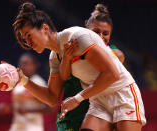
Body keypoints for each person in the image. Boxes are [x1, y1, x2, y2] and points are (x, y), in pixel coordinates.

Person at [12, 2, 146, 131]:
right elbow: (52, 98)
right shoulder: (55, 56)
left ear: (45, 28)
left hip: (122, 94)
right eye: (25, 38)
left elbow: (112, 74)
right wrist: (23, 80)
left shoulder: (76, 36)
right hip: (98, 101)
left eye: (29, 35)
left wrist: (77, 98)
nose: (28, 42)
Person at [56, 4, 126, 131]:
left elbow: (120, 57)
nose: (100, 36)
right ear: (85, 29)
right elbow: (64, 76)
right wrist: (67, 57)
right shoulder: (74, 44)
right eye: (96, 31)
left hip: (96, 115)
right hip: (71, 115)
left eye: (106, 33)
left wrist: (94, 54)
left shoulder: (111, 49)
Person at [0, 53, 50, 131]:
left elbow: (50, 108)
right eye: (21, 63)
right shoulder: (17, 82)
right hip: (17, 125)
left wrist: (28, 111)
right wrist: (9, 108)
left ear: (35, 65)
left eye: (26, 64)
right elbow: (20, 107)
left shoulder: (38, 82)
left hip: (32, 126)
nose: (23, 66)